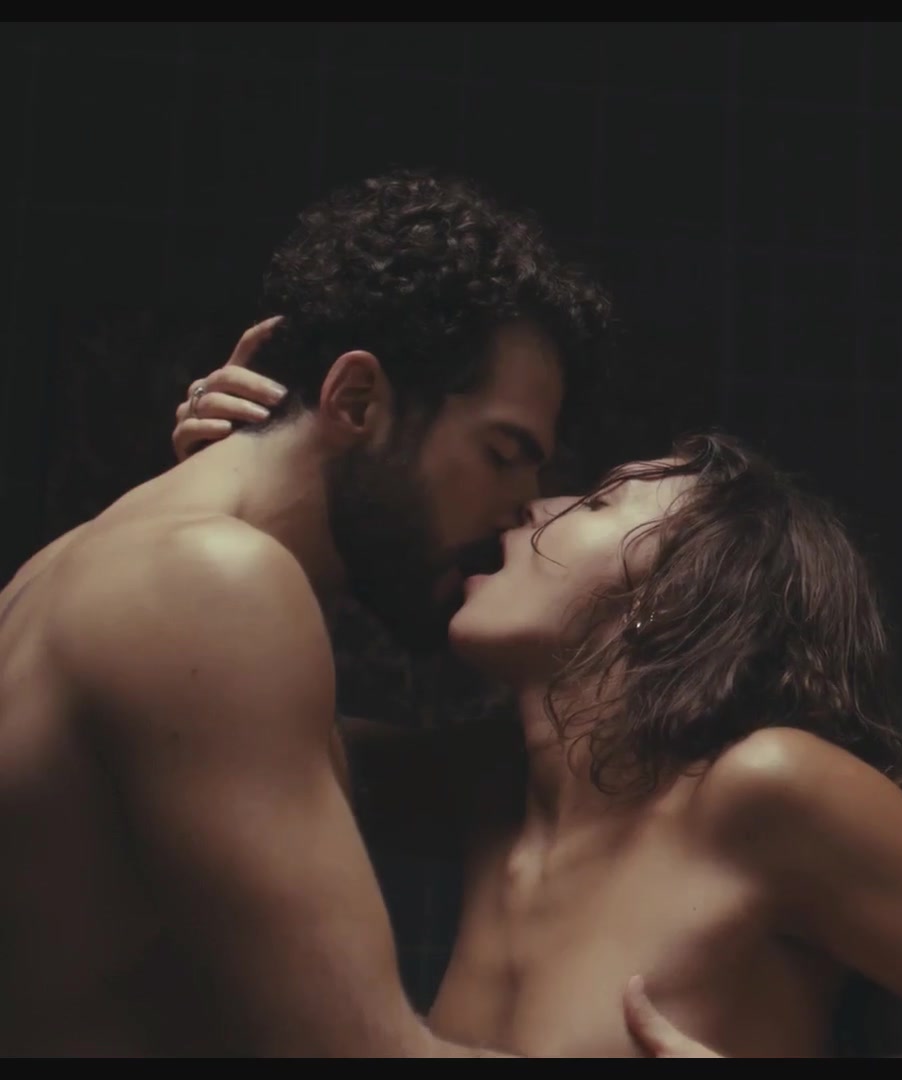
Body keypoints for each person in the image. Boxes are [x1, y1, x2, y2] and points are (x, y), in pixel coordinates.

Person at [170, 355, 902, 1058]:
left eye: (595, 503)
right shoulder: (489, 791)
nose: (531, 508)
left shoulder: (762, 789)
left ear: (671, 597)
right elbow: (191, 734)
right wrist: (236, 485)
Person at [0, 169, 640, 1056]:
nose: (521, 508)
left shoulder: (98, 563)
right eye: (503, 453)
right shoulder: (208, 583)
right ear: (358, 401)